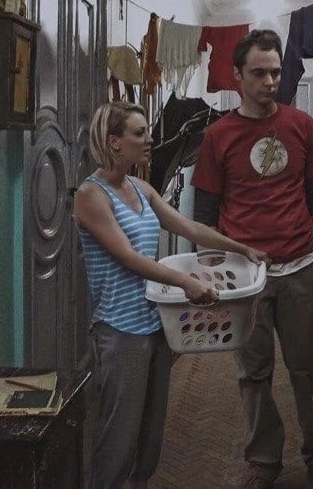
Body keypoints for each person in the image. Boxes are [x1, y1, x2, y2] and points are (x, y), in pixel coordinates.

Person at [74, 101, 268, 489]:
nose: (150, 139)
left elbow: (191, 228)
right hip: (120, 330)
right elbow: (128, 258)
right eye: (139, 133)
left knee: (148, 439)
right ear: (114, 142)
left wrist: (242, 248)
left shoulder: (141, 188)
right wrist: (186, 283)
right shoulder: (91, 195)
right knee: (118, 438)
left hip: (155, 323)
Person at [191, 29, 313, 489]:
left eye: (276, 73)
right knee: (253, 372)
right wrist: (212, 276)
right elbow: (205, 215)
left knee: (307, 371)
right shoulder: (218, 136)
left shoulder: (300, 125)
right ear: (237, 76)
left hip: (300, 266)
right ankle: (263, 460)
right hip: (244, 276)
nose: (269, 82)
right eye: (259, 73)